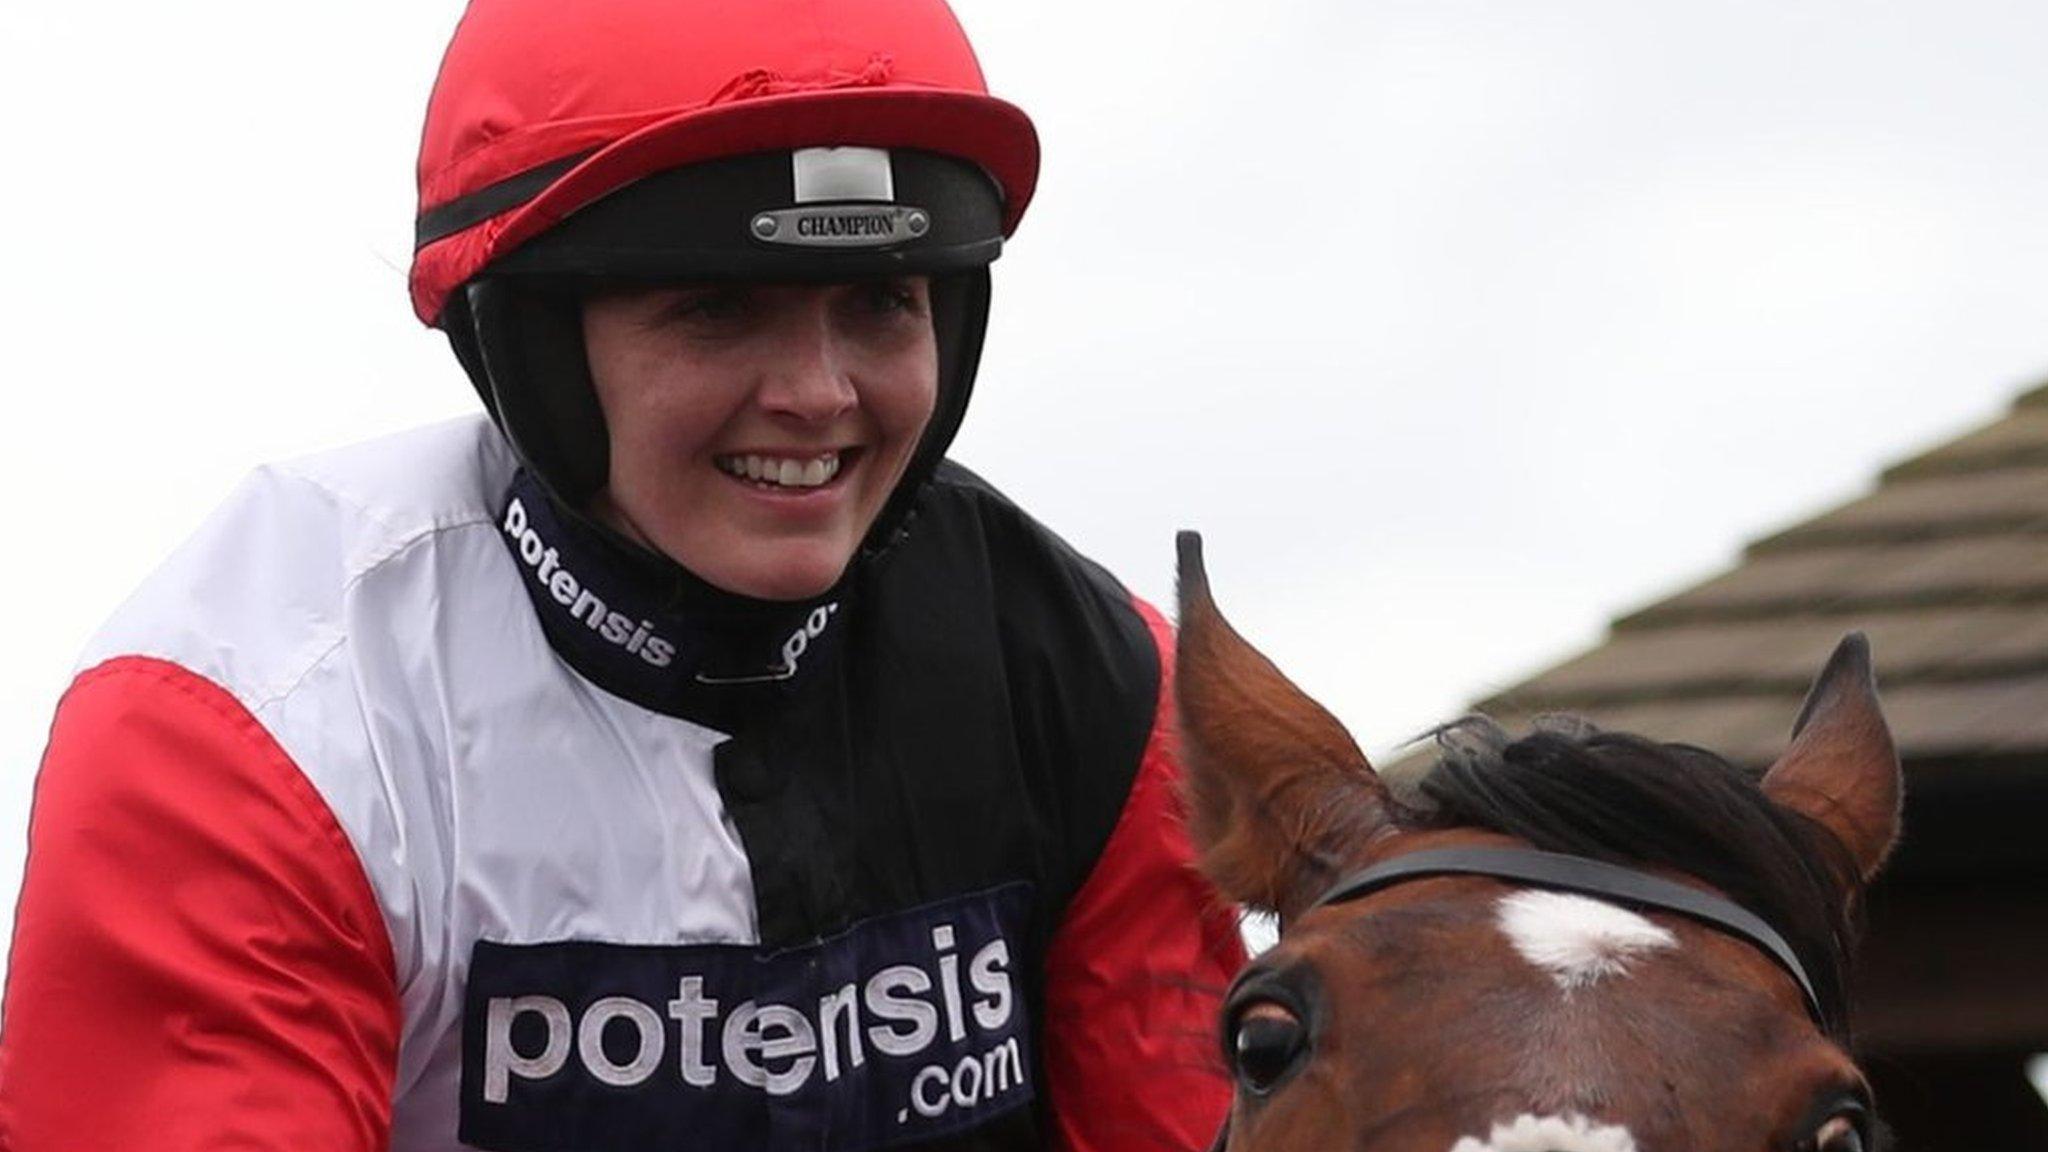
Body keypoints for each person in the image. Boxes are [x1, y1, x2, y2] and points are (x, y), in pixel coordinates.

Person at [0, 0, 1246, 1149]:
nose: (817, 394)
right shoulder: (255, 725)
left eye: (880, 300)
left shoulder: (1098, 680)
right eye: (715, 308)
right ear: (531, 347)